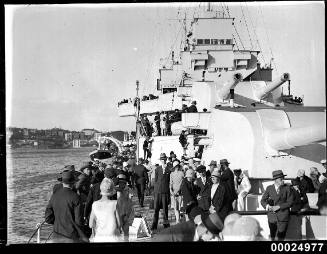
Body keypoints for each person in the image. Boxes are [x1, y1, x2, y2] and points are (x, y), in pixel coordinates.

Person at [45, 170, 88, 243]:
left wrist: (57, 222)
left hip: (56, 234)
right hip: (71, 236)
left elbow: (48, 218)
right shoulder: (76, 197)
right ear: (73, 182)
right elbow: (78, 221)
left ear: (62, 182)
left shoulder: (54, 196)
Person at [152, 208, 224, 242]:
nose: (213, 239)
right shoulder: (181, 236)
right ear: (206, 231)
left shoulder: (195, 229)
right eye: (213, 237)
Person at [260, 170, 293, 241]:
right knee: (272, 236)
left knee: (281, 237)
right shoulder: (269, 188)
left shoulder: (287, 188)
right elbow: (263, 200)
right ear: (275, 180)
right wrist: (267, 206)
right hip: (272, 217)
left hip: (283, 217)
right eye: (281, 178)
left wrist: (278, 207)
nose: (282, 180)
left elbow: (290, 202)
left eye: (282, 178)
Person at [151, 153, 172, 230]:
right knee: (156, 209)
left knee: (165, 209)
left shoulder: (169, 169)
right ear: (160, 160)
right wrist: (154, 193)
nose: (163, 161)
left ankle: (166, 224)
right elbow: (155, 181)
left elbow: (170, 181)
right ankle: (154, 225)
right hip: (158, 192)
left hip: (165, 192)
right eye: (161, 159)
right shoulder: (157, 169)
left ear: (166, 160)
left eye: (164, 159)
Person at [115, 175, 134, 241]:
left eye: (122, 182)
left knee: (126, 230)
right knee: (118, 230)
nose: (121, 184)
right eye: (120, 182)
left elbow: (130, 203)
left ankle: (126, 240)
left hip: (125, 212)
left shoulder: (129, 189)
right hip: (118, 212)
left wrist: (127, 214)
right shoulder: (116, 188)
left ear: (125, 183)